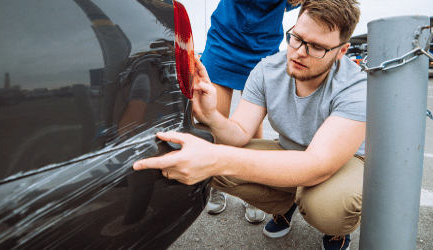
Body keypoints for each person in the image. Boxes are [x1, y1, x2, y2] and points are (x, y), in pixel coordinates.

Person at [134, 0, 364, 249]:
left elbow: (318, 164)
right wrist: (211, 116)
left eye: (316, 47)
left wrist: (217, 158)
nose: (299, 52)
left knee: (328, 207)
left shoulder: (355, 86)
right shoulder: (268, 69)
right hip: (291, 153)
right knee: (202, 147)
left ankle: (335, 231)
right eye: (296, 38)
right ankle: (287, 204)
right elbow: (240, 133)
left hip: (340, 164)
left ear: (342, 50)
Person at [200, 0, 304, 223]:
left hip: (262, 45)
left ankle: (251, 187)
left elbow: (293, 5)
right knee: (214, 118)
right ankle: (214, 181)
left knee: (252, 125)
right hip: (225, 38)